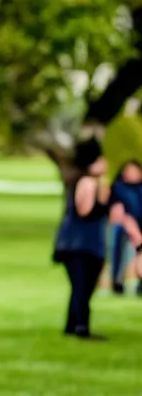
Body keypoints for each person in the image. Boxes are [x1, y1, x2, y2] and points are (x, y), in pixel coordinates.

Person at [52, 140, 142, 338]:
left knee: (80, 286)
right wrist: (107, 208)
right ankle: (81, 328)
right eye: (101, 159)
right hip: (81, 244)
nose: (105, 163)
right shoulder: (87, 182)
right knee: (83, 286)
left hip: (79, 243)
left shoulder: (86, 181)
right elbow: (85, 210)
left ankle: (72, 325)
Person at [108, 158, 142, 295]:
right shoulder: (118, 187)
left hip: (140, 225)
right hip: (124, 225)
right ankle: (118, 281)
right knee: (121, 247)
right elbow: (116, 211)